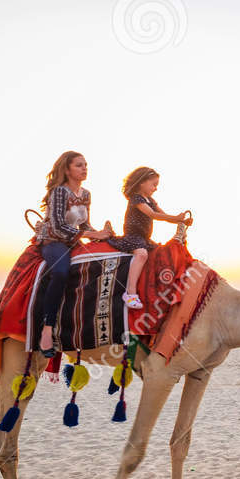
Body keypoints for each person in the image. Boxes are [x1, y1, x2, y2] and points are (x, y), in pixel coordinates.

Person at [35, 150, 111, 356]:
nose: (84, 168)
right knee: (60, 272)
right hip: (54, 241)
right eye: (79, 165)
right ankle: (47, 329)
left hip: (74, 242)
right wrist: (90, 233)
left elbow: (84, 223)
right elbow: (59, 226)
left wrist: (101, 235)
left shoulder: (86, 194)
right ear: (67, 169)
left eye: (85, 164)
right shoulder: (59, 192)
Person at [107, 166, 191, 310]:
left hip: (144, 238)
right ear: (142, 183)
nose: (155, 188)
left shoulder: (150, 200)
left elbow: (163, 215)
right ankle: (130, 293)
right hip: (133, 236)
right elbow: (153, 215)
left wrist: (180, 221)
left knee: (161, 254)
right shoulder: (137, 199)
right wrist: (175, 218)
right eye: (154, 184)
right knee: (141, 254)